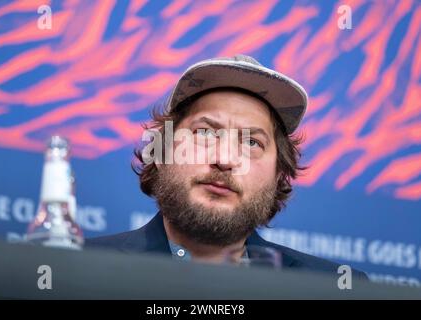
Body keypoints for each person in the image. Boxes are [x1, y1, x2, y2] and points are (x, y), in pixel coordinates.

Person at [86, 54, 367, 279]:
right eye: (205, 133)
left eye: (251, 143)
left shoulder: (334, 289)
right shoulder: (79, 270)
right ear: (161, 151)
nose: (225, 159)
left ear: (279, 175)